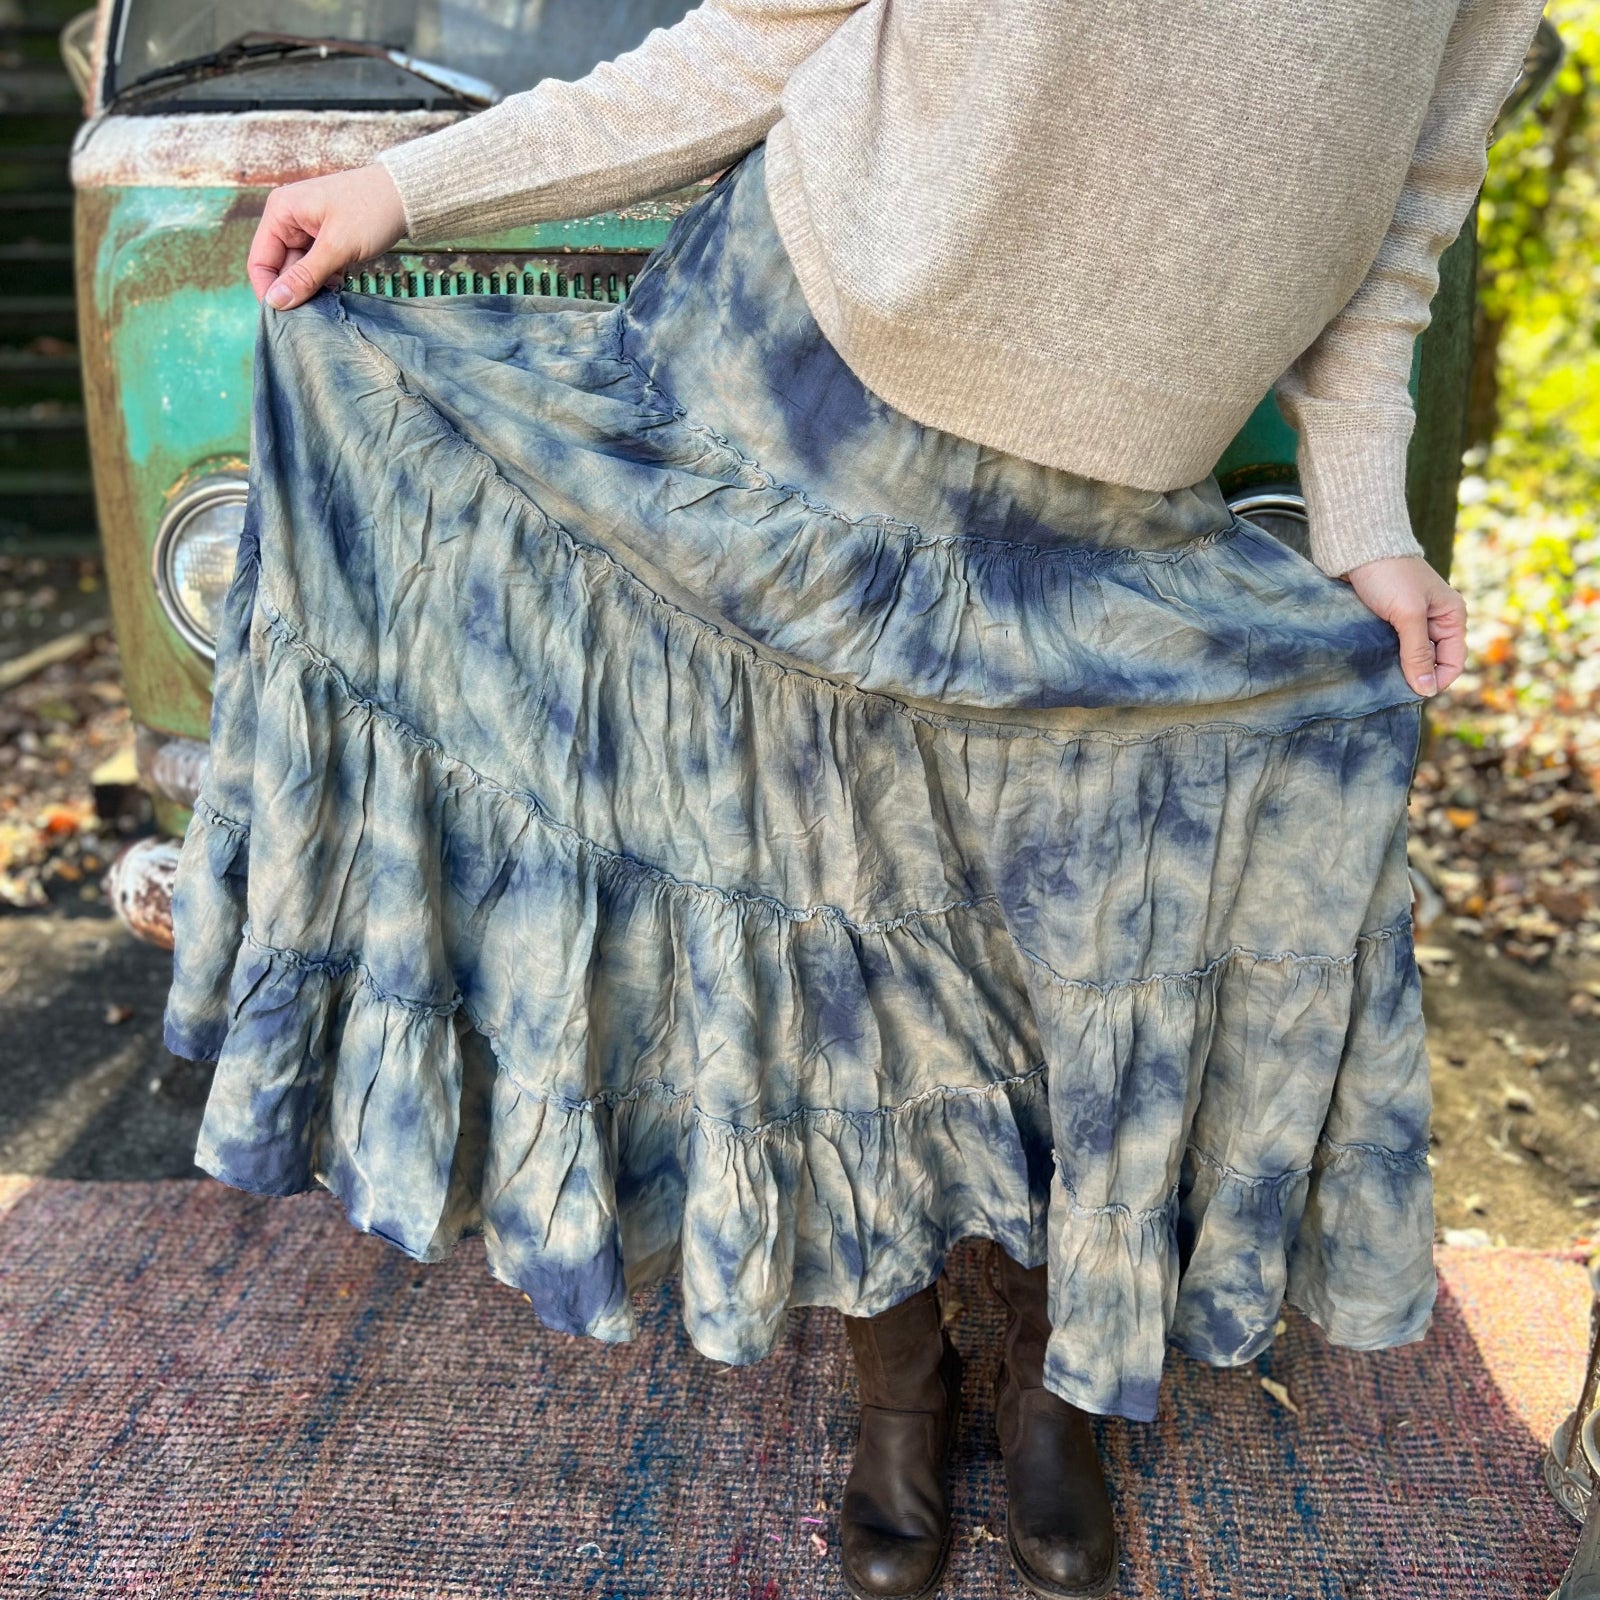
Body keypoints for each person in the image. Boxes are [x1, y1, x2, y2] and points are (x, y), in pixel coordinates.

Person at [162, 3, 1549, 1597]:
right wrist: (417, 191)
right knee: (822, 957)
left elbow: (1406, 199)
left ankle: (1055, 1383)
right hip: (791, 402)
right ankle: (897, 1383)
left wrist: (1367, 506)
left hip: (1100, 509)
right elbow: (755, 43)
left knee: (1064, 971)